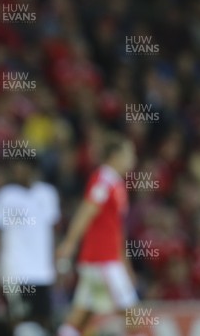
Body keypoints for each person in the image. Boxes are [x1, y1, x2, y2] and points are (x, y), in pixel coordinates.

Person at [56, 133, 138, 336]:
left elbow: (117, 229)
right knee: (133, 316)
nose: (133, 158)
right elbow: (86, 211)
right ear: (115, 155)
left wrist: (125, 263)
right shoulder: (104, 179)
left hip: (103, 259)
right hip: (103, 260)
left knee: (80, 319)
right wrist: (69, 243)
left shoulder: (116, 183)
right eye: (129, 153)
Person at [0, 159, 60, 335]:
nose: (18, 172)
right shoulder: (5, 196)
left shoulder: (47, 194)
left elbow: (53, 232)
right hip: (14, 271)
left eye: (22, 167)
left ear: (33, 169)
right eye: (16, 168)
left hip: (43, 272)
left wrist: (58, 263)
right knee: (17, 318)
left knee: (43, 320)